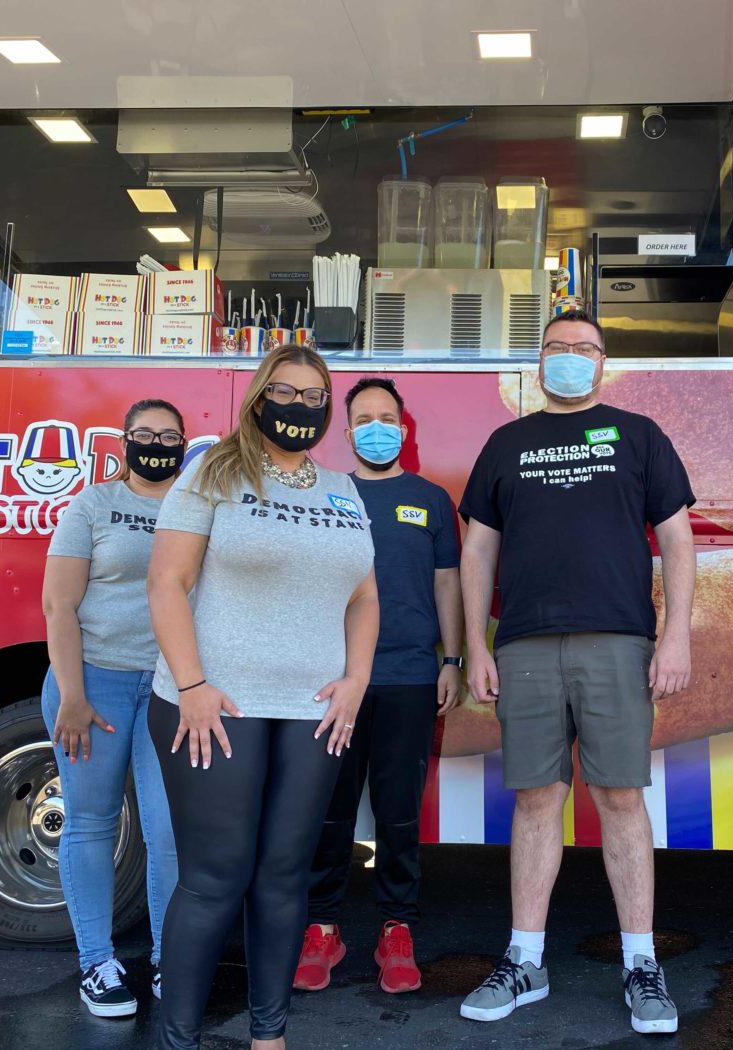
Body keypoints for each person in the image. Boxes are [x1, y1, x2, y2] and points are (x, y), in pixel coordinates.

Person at [456, 310, 696, 1035]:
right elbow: (476, 554)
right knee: (536, 799)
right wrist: (476, 644)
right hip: (525, 645)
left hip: (618, 642)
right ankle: (525, 959)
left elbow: (677, 541)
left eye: (582, 349)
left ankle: (641, 964)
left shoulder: (640, 436)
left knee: (620, 796)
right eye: (555, 348)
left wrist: (675, 634)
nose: (568, 358)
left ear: (602, 362)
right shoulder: (506, 443)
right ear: (538, 364)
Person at [146, 345, 378, 1050]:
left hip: (312, 708)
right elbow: (165, 584)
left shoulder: (343, 487)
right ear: (256, 397)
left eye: (314, 396)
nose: (300, 407)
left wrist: (356, 679)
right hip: (217, 705)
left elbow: (364, 597)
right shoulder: (211, 473)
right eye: (285, 392)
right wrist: (191, 685)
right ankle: (179, 1037)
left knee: (283, 878)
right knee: (216, 878)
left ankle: (268, 1036)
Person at [295, 377, 463, 995]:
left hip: (410, 677)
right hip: (333, 684)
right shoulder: (323, 494)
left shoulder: (431, 499)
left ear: (403, 426)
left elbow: (448, 583)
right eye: (362, 417)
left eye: (385, 416)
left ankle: (398, 928)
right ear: (345, 432)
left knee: (396, 813)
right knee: (330, 812)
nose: (375, 426)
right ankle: (322, 927)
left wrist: (454, 660)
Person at [41, 399, 185, 1017]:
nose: (157, 443)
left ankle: (167, 959)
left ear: (186, 443)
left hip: (168, 688)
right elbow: (58, 606)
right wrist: (71, 696)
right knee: (92, 821)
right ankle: (97, 963)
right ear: (124, 441)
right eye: (145, 433)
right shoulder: (93, 504)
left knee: (169, 831)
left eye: (169, 435)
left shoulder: (198, 507)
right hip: (93, 684)